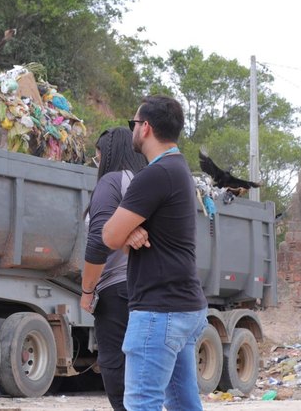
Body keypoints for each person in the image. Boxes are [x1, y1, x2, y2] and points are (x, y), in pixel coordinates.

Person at [102, 95, 208, 411]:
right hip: (184, 305)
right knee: (182, 402)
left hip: (158, 311)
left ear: (145, 127)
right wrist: (128, 232)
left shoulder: (154, 175)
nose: (132, 129)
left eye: (133, 124)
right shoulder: (179, 171)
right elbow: (122, 235)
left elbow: (108, 235)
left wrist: (123, 232)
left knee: (141, 402)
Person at [80, 127, 146, 411]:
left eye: (97, 154)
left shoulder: (111, 182)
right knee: (143, 367)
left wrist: (86, 290)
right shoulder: (145, 182)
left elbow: (98, 242)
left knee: (114, 365)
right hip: (147, 286)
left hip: (116, 290)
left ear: (108, 154)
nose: (96, 160)